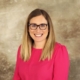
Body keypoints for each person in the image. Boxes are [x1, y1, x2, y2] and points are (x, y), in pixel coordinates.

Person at [13, 8, 70, 80]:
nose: (38, 30)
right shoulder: (22, 49)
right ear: (28, 28)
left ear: (49, 28)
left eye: (42, 25)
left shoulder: (59, 51)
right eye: (33, 25)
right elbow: (16, 78)